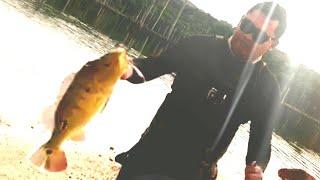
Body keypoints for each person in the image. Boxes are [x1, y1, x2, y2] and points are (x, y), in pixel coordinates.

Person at [117, 1, 287, 180]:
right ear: (240, 20)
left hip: (197, 172)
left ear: (273, 44)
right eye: (246, 26)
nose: (247, 36)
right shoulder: (198, 46)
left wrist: (256, 167)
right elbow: (153, 66)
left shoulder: (266, 88)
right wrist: (126, 68)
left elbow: (261, 140)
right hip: (151, 153)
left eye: (259, 36)